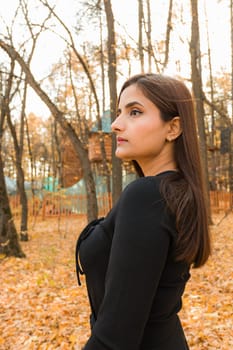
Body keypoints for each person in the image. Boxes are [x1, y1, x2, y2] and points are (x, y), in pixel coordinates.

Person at [76, 73, 211, 349]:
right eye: (118, 113)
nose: (115, 125)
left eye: (134, 112)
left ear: (173, 128)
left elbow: (115, 338)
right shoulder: (174, 193)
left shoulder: (148, 196)